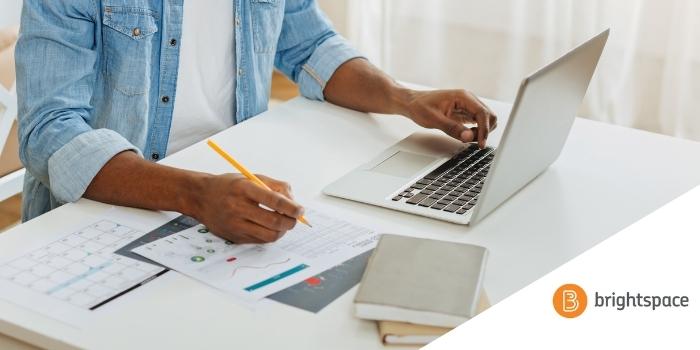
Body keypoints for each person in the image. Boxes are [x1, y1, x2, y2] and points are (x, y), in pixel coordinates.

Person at [15, 0, 496, 243]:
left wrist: (405, 99)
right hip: (107, 212)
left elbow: (309, 45)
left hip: (236, 194)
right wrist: (195, 194)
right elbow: (50, 130)